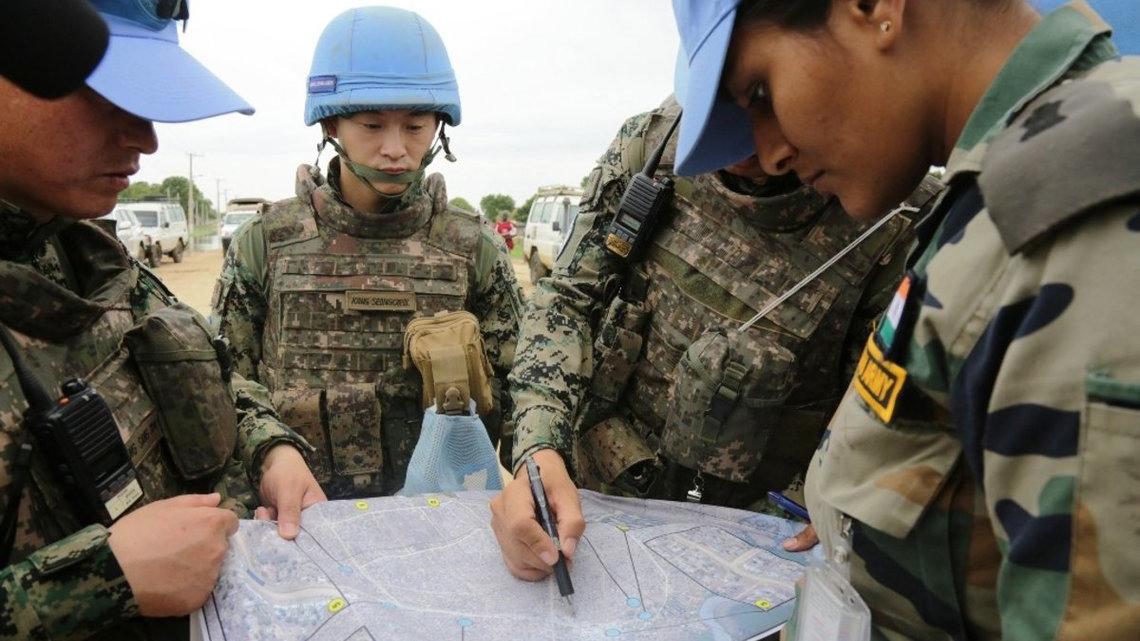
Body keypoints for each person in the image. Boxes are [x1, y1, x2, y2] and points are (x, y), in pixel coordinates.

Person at [671, 0, 1140, 639]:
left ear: (875, 9)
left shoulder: (1084, 208)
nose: (770, 153)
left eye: (760, 93)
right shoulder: (996, 194)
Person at [490, 93, 941, 581]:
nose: (734, 138)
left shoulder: (900, 215)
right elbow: (567, 299)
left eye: (764, 99)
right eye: (720, 105)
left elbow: (886, 411)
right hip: (601, 498)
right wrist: (540, 449)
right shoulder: (653, 145)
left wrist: (834, 496)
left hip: (760, 539)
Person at [0, 1, 325, 640]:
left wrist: (270, 447)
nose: (146, 140)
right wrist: (101, 581)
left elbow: (204, 366)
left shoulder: (83, 253)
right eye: (106, 97)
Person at [212, 6, 523, 500]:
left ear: (439, 128)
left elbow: (521, 392)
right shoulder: (265, 243)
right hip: (304, 521)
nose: (395, 149)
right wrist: (268, 451)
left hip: (441, 519)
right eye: (373, 125)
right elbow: (224, 382)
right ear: (331, 125)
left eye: (415, 127)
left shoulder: (474, 249)